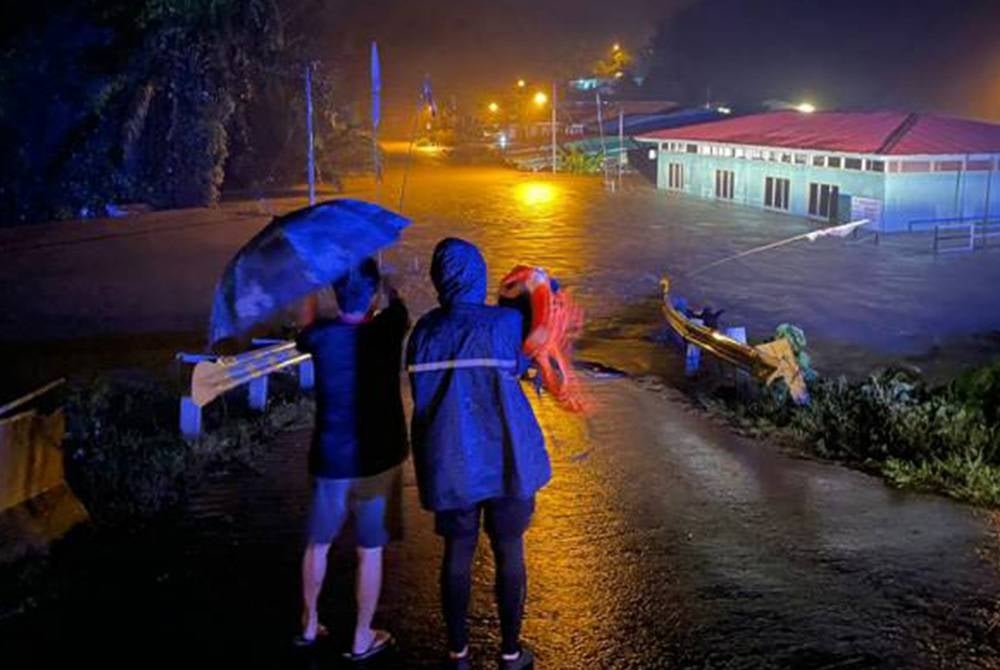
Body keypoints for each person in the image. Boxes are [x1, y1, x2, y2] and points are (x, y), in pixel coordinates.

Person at [407, 238, 551, 670]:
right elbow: (538, 328)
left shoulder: (424, 333)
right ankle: (510, 653)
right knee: (509, 550)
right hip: (507, 459)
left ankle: (458, 655)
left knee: (457, 552)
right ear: (479, 276)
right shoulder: (504, 325)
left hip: (450, 461)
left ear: (439, 279)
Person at [294, 257, 409, 660]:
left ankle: (309, 624)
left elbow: (305, 327)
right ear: (372, 297)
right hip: (377, 459)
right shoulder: (390, 328)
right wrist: (389, 285)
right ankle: (362, 636)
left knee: (318, 543)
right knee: (369, 549)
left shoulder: (321, 336)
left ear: (335, 294)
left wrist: (311, 284)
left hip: (331, 457)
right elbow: (399, 305)